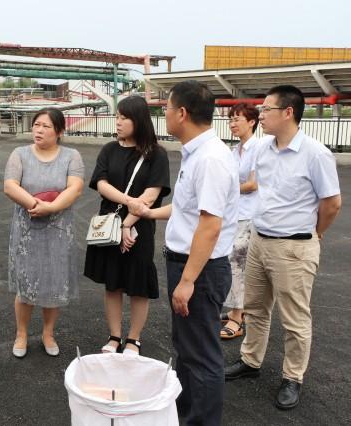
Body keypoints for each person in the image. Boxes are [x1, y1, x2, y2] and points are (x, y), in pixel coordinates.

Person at [224, 85, 341, 410]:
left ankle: (293, 377)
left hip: (294, 248)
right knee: (256, 308)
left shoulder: (315, 154)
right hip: (260, 240)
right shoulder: (262, 149)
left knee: (294, 319)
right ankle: (250, 361)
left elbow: (331, 203)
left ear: (288, 112)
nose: (261, 115)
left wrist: (314, 234)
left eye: (266, 110)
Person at [129, 80, 239, 425]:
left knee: (202, 356)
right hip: (191, 266)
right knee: (189, 351)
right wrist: (149, 212)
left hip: (200, 270)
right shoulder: (197, 152)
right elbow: (187, 208)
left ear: (182, 113)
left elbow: (209, 225)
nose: (163, 113)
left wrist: (188, 280)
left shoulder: (210, 159)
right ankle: (186, 415)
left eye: (166, 107)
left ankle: (201, 420)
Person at [84, 95, 170, 355]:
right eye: (117, 117)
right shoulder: (109, 149)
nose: (118, 122)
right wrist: (128, 205)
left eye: (124, 117)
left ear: (139, 120)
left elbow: (152, 195)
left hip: (139, 227)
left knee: (138, 285)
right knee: (113, 284)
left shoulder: (157, 154)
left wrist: (127, 224)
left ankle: (133, 338)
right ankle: (114, 336)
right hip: (110, 225)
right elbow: (101, 184)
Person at [3, 108, 85, 358]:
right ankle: (22, 333)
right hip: (27, 230)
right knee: (26, 284)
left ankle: (48, 333)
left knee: (54, 283)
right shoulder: (20, 154)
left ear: (60, 131)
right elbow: (9, 185)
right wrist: (34, 205)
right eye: (36, 124)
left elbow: (75, 188)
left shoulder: (72, 156)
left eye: (46, 126)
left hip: (58, 230)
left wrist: (51, 207)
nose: (38, 130)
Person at [220, 103, 262, 340]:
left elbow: (253, 184)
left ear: (252, 122)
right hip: (234, 214)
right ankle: (238, 310)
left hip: (250, 214)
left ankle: (237, 317)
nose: (233, 123)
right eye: (231, 119)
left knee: (237, 264)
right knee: (231, 262)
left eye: (238, 119)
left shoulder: (259, 149)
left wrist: (227, 191)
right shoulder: (234, 150)